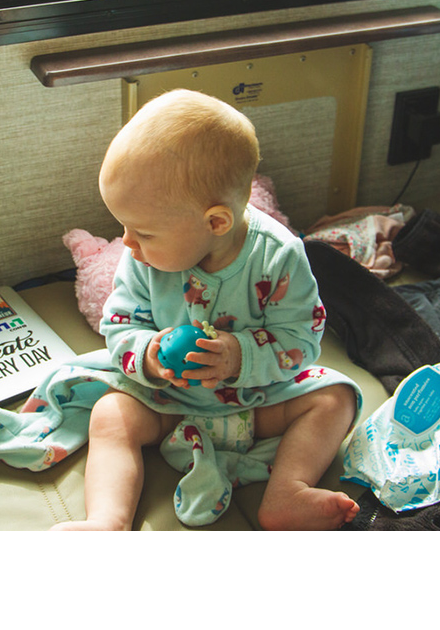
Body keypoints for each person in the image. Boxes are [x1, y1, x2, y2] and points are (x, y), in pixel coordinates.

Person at [52, 89, 359, 531]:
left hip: (259, 401)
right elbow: (119, 324)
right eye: (124, 228)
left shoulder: (278, 256)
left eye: (143, 231)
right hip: (167, 402)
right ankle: (107, 520)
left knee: (335, 398)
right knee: (110, 415)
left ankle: (287, 492)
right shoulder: (141, 256)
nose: (128, 243)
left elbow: (302, 340)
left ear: (216, 222)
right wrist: (149, 355)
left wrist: (238, 355)